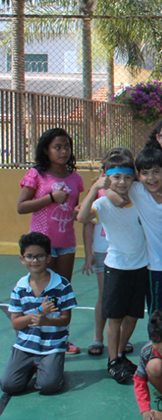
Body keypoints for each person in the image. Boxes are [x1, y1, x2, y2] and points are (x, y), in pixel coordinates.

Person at [77, 153, 148, 383]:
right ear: (106, 178)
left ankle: (120, 355)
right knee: (115, 317)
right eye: (115, 177)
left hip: (141, 266)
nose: (122, 182)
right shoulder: (102, 202)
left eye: (127, 178)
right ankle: (112, 360)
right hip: (116, 267)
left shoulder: (138, 196)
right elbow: (82, 217)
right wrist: (96, 188)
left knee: (133, 315)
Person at [16, 129, 84, 359]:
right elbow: (21, 206)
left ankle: (61, 338)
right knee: (40, 293)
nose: (63, 151)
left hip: (67, 243)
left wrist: (78, 211)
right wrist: (50, 198)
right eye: (57, 147)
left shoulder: (75, 178)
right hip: (42, 246)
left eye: (67, 147)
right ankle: (36, 337)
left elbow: (76, 209)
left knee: (60, 293)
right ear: (46, 149)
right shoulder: (37, 174)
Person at [0, 232, 77, 396]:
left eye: (40, 256)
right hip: (26, 345)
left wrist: (47, 321)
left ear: (49, 258)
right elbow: (16, 323)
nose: (35, 261)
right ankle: (33, 367)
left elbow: (65, 319)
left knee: (48, 386)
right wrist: (39, 311)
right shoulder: (19, 288)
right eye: (30, 256)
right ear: (22, 259)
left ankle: (50, 368)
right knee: (8, 385)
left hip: (52, 346)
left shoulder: (62, 285)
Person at [113, 147, 162, 313]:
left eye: (156, 172)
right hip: (156, 266)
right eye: (145, 173)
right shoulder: (137, 190)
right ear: (138, 175)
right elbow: (111, 186)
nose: (151, 178)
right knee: (159, 310)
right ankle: (157, 339)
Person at [81, 148, 134, 357]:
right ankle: (98, 337)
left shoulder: (134, 192)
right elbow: (86, 223)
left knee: (124, 300)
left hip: (126, 254)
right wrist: (88, 254)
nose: (121, 180)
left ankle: (120, 339)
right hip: (104, 251)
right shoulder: (99, 195)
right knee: (106, 296)